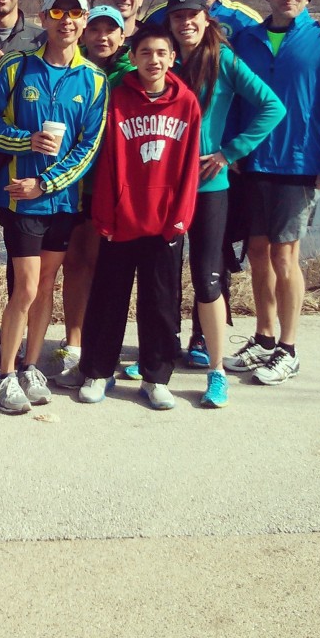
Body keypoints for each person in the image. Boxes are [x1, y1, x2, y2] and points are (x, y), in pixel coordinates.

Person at [0, 0, 109, 414]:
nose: (66, 21)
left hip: (61, 200)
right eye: (57, 12)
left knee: (47, 285)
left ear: (84, 22)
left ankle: (31, 365)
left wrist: (47, 184)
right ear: (44, 19)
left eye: (75, 14)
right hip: (19, 199)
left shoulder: (95, 80)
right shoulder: (17, 67)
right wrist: (24, 141)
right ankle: (4, 373)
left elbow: (88, 147)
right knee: (27, 286)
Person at [224, 0, 320, 384]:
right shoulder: (246, 39)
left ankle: (288, 348)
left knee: (286, 257)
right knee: (259, 255)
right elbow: (232, 99)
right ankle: (263, 339)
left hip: (299, 165)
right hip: (252, 164)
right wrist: (230, 152)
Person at [161, 0, 285, 407]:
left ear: (206, 18)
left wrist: (230, 151)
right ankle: (157, 356)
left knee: (208, 278)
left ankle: (216, 370)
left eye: (192, 15)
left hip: (210, 188)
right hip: (164, 187)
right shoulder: (163, 60)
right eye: (178, 18)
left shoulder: (223, 59)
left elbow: (272, 106)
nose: (185, 23)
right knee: (162, 275)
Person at [75, 23, 202, 408]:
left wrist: (181, 217)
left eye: (162, 53)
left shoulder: (187, 103)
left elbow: (189, 166)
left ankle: (156, 377)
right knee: (108, 298)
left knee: (161, 302)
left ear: (173, 58)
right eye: (146, 52)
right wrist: (106, 217)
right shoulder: (117, 99)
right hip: (121, 221)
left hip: (165, 223)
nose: (154, 60)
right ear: (133, 57)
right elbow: (108, 162)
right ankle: (97, 372)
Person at [54, 3, 134, 387]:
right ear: (84, 33)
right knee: (76, 264)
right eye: (96, 29)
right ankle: (74, 344)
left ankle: (102, 348)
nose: (103, 37)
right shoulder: (72, 70)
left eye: (111, 30)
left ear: (122, 36)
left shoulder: (132, 75)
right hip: (74, 184)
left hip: (116, 187)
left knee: (110, 270)